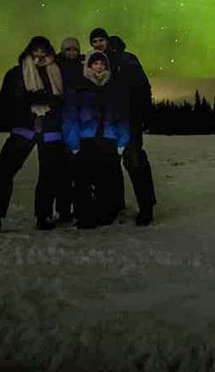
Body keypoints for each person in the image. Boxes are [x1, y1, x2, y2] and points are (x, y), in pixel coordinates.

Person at [0, 36, 65, 236]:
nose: (40, 54)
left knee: (49, 174)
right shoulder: (16, 73)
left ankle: (43, 216)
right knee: (2, 171)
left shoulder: (57, 73)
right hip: (24, 129)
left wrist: (50, 108)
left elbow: (64, 100)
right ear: (29, 51)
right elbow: (6, 101)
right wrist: (29, 108)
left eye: (44, 50)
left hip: (51, 130)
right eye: (36, 50)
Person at [62, 50, 129, 228]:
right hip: (87, 139)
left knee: (105, 179)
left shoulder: (113, 88)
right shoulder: (79, 87)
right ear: (89, 66)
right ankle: (85, 215)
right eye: (95, 63)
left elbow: (121, 116)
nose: (99, 67)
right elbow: (71, 117)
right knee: (83, 179)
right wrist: (73, 143)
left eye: (102, 64)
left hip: (108, 139)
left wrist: (122, 141)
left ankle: (103, 213)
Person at [108, 35, 157, 226]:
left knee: (135, 160)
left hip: (129, 121)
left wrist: (144, 116)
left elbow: (143, 89)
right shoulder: (101, 62)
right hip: (111, 123)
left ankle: (146, 206)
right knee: (113, 164)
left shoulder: (129, 61)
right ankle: (116, 204)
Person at [54, 37, 85, 223]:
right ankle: (64, 210)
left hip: (79, 123)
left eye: (75, 49)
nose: (72, 52)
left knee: (80, 169)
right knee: (62, 170)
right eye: (68, 49)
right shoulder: (55, 67)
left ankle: (80, 208)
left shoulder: (83, 67)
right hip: (60, 123)